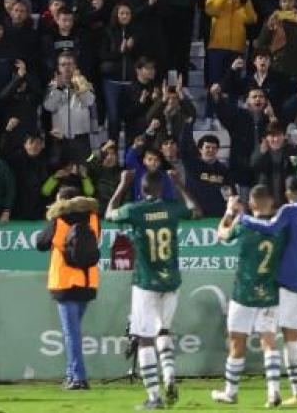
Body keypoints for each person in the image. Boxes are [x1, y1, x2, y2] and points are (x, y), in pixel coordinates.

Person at [232, 175, 297, 407]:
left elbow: (270, 227)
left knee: (290, 340)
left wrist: (244, 219)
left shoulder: (289, 211)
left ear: (288, 192)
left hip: (290, 283)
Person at [105, 166, 198, 410]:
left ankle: (154, 397)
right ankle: (169, 376)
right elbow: (196, 211)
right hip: (171, 281)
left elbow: (109, 213)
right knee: (163, 331)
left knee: (145, 338)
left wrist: (123, 184)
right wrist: (179, 183)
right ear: (162, 188)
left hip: (146, 282)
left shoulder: (135, 210)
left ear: (141, 189)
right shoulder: (171, 208)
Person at [212, 184, 284, 407]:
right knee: (269, 340)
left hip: (244, 292)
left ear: (251, 204)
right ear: (272, 203)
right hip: (270, 291)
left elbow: (222, 235)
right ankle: (273, 391)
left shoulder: (244, 224)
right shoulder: (280, 228)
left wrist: (229, 211)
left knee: (237, 341)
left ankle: (231, 392)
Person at [35, 186, 101, 392]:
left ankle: (78, 378)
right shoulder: (93, 218)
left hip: (64, 282)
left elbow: (41, 244)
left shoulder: (58, 220)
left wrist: (52, 221)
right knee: (73, 332)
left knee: (71, 333)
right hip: (87, 282)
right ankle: (72, 374)